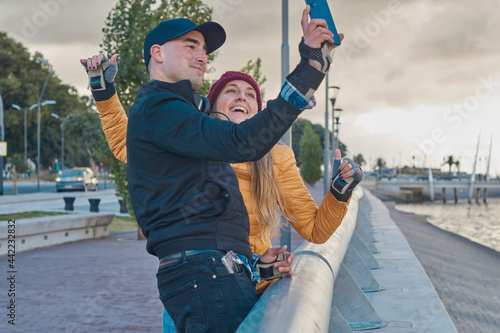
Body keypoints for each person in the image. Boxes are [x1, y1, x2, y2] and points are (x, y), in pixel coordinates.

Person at [81, 6, 343, 332]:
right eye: (191, 46)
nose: (202, 55)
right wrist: (310, 69)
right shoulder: (165, 110)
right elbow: (129, 144)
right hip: (203, 276)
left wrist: (254, 267)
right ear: (157, 53)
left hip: (220, 273)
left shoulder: (205, 137)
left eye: (204, 50)